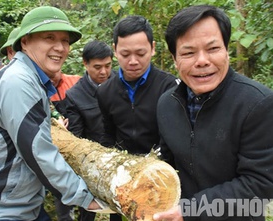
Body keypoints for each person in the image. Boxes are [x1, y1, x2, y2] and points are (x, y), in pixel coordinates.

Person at [0, 6, 102, 221]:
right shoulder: (17, 83)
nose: (60, 47)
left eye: (65, 40)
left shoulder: (29, 79)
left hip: (16, 204)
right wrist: (85, 197)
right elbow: (37, 151)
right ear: (25, 41)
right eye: (49, 37)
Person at [153, 5, 273, 221]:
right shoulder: (166, 104)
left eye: (213, 49)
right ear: (174, 59)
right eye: (188, 53)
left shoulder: (258, 103)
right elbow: (167, 163)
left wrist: (191, 210)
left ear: (226, 50)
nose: (202, 61)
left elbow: (261, 186)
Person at [96, 15, 179, 221]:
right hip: (121, 181)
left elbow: (174, 140)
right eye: (125, 54)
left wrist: (153, 171)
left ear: (152, 48)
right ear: (115, 50)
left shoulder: (170, 88)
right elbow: (108, 134)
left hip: (159, 179)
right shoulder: (105, 91)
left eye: (140, 53)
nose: (133, 61)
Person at [64, 39, 114, 221]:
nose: (104, 72)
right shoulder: (75, 95)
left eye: (108, 66)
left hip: (123, 158)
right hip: (92, 162)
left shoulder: (121, 83)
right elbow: (77, 138)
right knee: (88, 213)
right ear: (85, 64)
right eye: (97, 67)